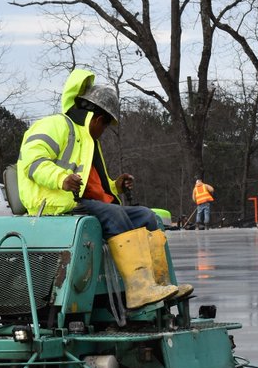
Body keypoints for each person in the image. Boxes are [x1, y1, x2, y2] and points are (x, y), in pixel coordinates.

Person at [16, 68, 190, 309]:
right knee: (115, 214)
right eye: (105, 126)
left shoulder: (88, 143)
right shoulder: (53, 125)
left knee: (146, 216)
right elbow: (31, 163)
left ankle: (159, 284)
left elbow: (95, 187)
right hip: (54, 206)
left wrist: (115, 186)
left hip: (82, 204)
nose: (103, 132)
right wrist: (61, 179)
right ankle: (138, 289)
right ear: (97, 120)